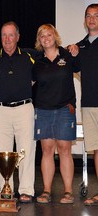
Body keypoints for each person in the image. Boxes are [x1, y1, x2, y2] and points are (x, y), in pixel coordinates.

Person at [33, 24, 79, 204]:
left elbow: (84, 73)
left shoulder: (68, 55)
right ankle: (46, 191)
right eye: (42, 36)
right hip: (43, 110)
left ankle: (68, 192)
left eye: (49, 34)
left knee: (65, 150)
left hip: (64, 110)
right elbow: (26, 83)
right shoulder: (37, 61)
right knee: (47, 151)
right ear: (39, 40)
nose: (46, 38)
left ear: (55, 36)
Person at [0, 21, 35, 203]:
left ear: (18, 37)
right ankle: (5, 189)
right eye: (3, 35)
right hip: (0, 110)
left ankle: (26, 190)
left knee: (26, 151)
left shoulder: (30, 56)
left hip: (24, 109)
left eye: (11, 35)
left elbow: (52, 55)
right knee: (2, 153)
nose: (7, 39)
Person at [71, 3, 98, 206]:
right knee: (97, 150)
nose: (92, 19)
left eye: (96, 15)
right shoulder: (78, 47)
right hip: (89, 105)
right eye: (88, 15)